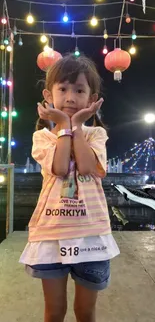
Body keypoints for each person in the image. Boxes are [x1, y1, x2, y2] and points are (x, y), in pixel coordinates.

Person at [19, 54, 120, 322]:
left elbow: (87, 167)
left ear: (92, 97)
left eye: (79, 90)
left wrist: (74, 126)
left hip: (92, 238)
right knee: (54, 312)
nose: (71, 98)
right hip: (51, 235)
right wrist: (65, 126)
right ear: (48, 95)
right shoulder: (42, 137)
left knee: (85, 312)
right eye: (62, 89)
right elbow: (61, 167)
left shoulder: (96, 135)